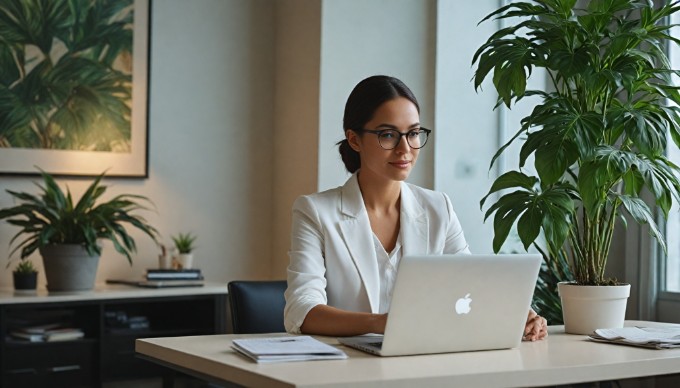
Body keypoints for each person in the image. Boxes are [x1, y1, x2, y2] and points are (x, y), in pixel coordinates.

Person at [283, 75, 548, 341]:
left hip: (422, 360)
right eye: (388, 135)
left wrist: (516, 312)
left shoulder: (438, 208)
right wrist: (384, 323)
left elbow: (470, 284)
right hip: (346, 368)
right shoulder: (315, 212)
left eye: (413, 133)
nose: (405, 148)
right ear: (354, 140)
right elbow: (302, 311)